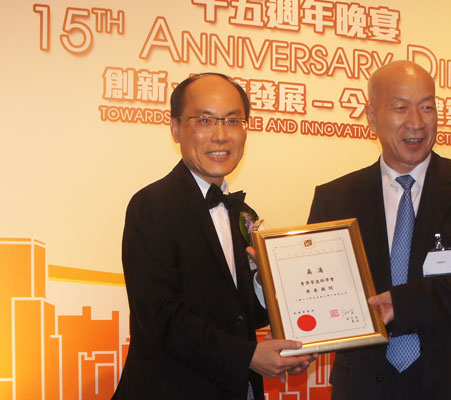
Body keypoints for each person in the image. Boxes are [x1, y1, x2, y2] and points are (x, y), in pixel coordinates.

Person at [307, 60, 451, 400]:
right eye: (400, 108)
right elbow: (319, 288)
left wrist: (406, 303)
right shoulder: (335, 198)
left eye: (427, 107)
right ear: (371, 117)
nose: (417, 122)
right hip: (366, 385)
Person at [113, 73, 313, 400]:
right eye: (204, 120)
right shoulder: (152, 205)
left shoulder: (244, 214)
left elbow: (243, 317)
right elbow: (161, 315)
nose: (221, 136)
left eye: (233, 121)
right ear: (175, 128)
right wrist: (247, 357)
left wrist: (264, 286)